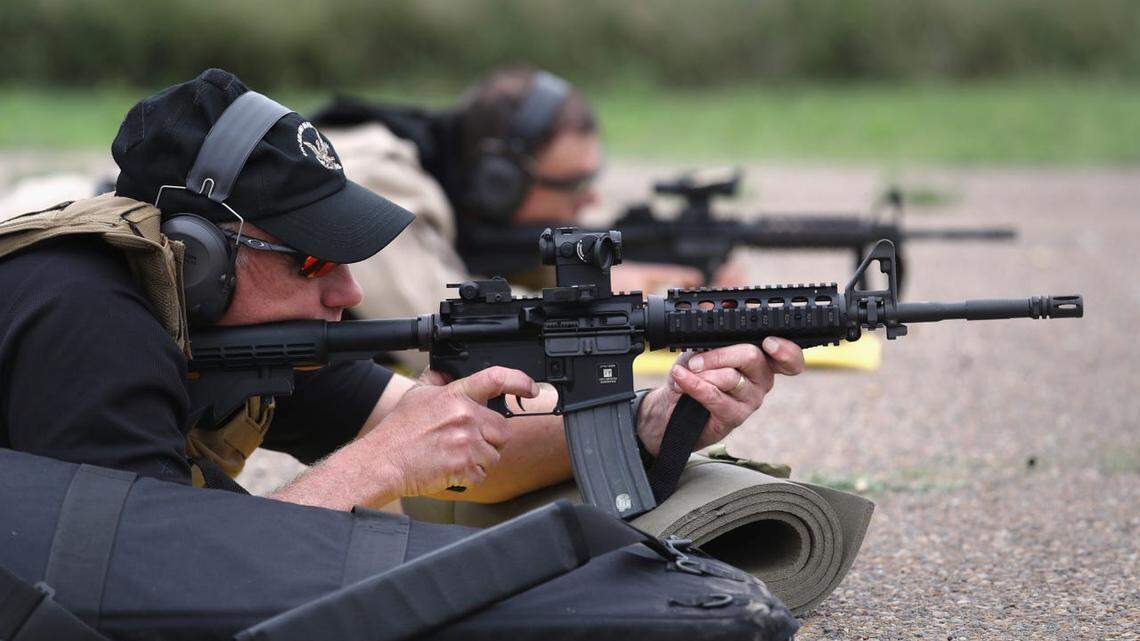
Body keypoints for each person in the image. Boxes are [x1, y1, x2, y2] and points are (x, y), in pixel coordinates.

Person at [0, 69, 805, 509]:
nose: (348, 293)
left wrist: (650, 422)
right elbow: (155, 583)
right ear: (199, 251)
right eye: (314, 261)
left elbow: (458, 449)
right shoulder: (85, 316)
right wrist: (377, 466)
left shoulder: (232, 327)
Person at [314, 68, 746, 372]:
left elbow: (489, 256)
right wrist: (635, 313)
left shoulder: (458, 180)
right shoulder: (374, 177)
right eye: (572, 185)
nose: (589, 199)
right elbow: (446, 335)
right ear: (499, 182)